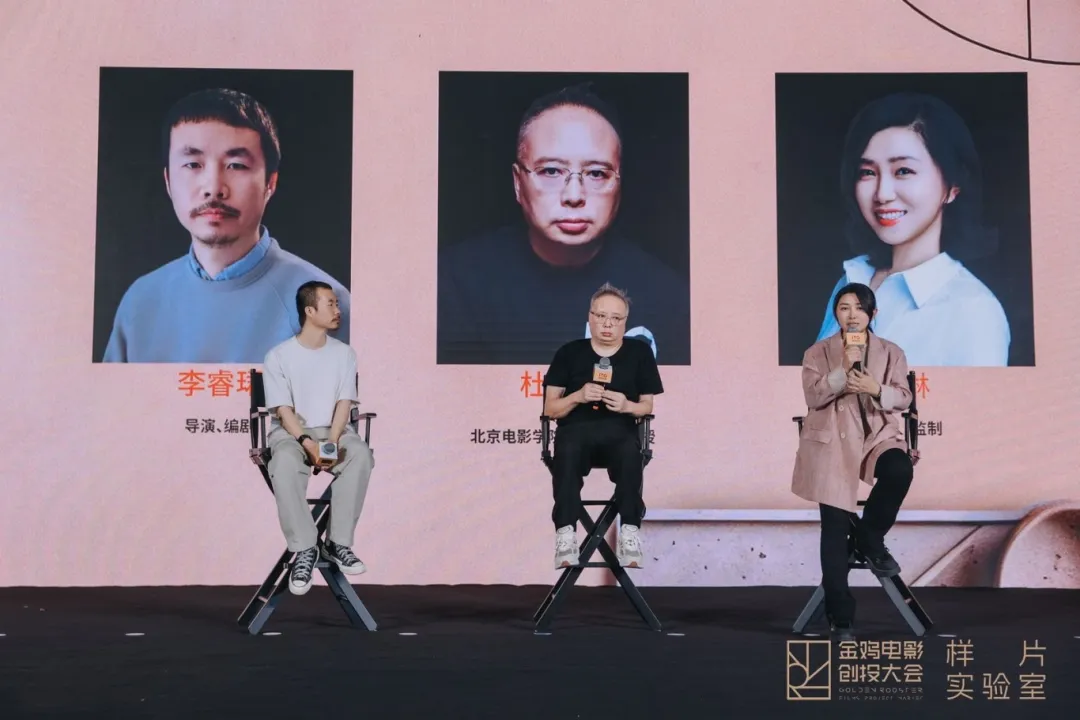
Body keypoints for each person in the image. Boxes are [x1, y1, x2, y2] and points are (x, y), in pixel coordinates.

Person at [437, 82, 690, 366]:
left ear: (619, 184)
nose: (574, 196)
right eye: (551, 171)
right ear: (518, 183)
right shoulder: (453, 285)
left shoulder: (670, 299)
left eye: (596, 173)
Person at [102, 87, 350, 363]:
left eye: (235, 165)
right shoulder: (140, 301)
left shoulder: (326, 305)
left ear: (270, 183)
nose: (213, 188)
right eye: (193, 164)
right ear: (168, 181)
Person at [814, 92, 1010, 366]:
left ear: (952, 186)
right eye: (867, 172)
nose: (882, 194)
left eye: (903, 171)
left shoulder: (974, 311)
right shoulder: (851, 281)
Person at [793, 282, 918, 641]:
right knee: (833, 526)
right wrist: (841, 373)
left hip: (877, 436)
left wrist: (876, 389)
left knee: (899, 469)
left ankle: (869, 538)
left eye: (860, 308)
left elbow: (905, 397)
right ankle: (841, 616)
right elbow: (812, 396)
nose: (852, 315)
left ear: (872, 314)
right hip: (832, 440)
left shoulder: (891, 351)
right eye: (844, 308)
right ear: (836, 313)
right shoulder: (817, 352)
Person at [541, 283, 663, 569]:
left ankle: (629, 532)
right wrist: (578, 396)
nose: (608, 324)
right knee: (567, 451)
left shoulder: (639, 353)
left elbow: (647, 406)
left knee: (630, 453)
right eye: (601, 316)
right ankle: (566, 535)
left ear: (625, 322)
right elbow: (550, 409)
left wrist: (626, 405)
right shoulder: (568, 353)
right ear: (590, 317)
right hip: (575, 433)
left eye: (616, 318)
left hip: (619, 434)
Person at [262, 281, 373, 595]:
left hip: (334, 431)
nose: (338, 310)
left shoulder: (345, 354)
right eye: (331, 304)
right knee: (284, 462)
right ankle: (305, 548)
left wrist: (332, 441)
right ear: (310, 311)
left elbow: (344, 403)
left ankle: (337, 543)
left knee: (360, 455)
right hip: (291, 433)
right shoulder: (278, 356)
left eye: (337, 303)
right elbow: (283, 410)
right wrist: (307, 443)